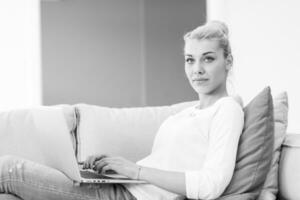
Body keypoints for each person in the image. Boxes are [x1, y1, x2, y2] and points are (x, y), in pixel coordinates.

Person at [0, 20, 244, 200]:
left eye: (208, 58)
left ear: (228, 62)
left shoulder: (227, 110)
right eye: (190, 59)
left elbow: (211, 185)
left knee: (9, 170)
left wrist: (135, 171)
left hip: (127, 198)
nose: (197, 69)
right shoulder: (187, 113)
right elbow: (167, 166)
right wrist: (118, 168)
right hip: (121, 188)